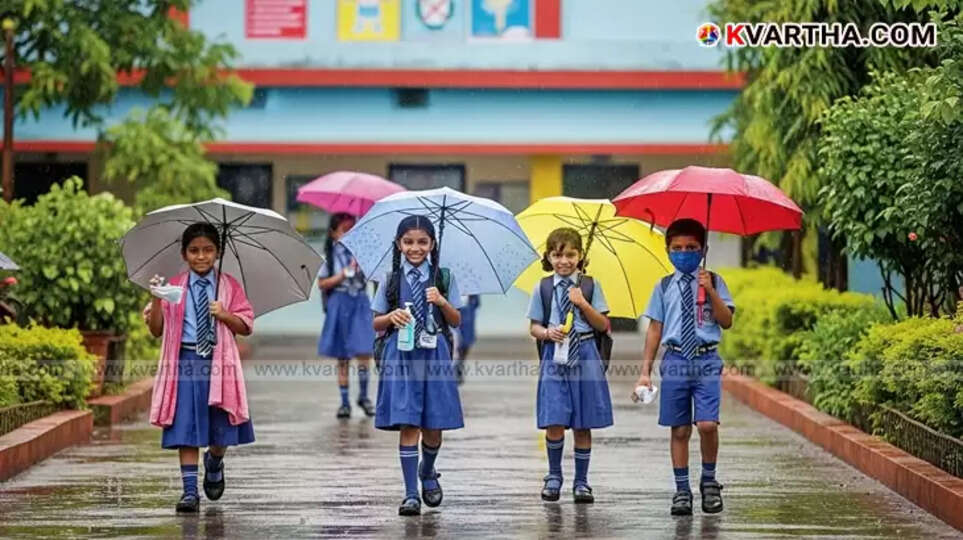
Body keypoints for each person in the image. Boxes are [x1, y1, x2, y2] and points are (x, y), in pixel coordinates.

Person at [146, 222, 255, 513]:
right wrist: (156, 300)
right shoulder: (174, 288)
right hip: (184, 361)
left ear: (218, 252)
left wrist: (225, 313)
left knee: (221, 429)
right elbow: (156, 330)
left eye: (208, 250)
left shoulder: (228, 286)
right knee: (186, 425)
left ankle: (215, 460)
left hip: (220, 363)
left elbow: (245, 326)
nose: (201, 256)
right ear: (184, 254)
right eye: (194, 250)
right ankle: (189, 491)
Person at [632, 218, 735, 516]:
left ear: (703, 249)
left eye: (691, 247)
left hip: (705, 359)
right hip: (675, 359)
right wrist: (644, 371)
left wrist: (710, 291)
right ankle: (681, 490)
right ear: (668, 251)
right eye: (677, 248)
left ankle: (709, 481)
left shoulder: (714, 281)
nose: (684, 252)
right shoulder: (663, 286)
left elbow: (726, 321)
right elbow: (655, 329)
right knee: (679, 429)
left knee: (706, 424)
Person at [371, 215, 465, 516]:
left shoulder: (444, 277)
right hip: (401, 356)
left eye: (422, 241)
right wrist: (391, 317)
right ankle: (411, 493)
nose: (415, 248)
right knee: (409, 421)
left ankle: (428, 471)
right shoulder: (390, 280)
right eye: (408, 242)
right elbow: (375, 322)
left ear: (432, 244)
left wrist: (441, 301)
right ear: (399, 245)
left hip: (434, 355)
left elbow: (456, 320)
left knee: (433, 426)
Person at [528, 227, 612, 504]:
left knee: (582, 422)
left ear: (581, 256)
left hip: (585, 352)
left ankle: (582, 482)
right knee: (554, 418)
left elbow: (603, 324)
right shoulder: (543, 287)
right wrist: (547, 333)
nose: (564, 261)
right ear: (549, 257)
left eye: (570, 255)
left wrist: (583, 304)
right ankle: (553, 476)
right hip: (556, 354)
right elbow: (534, 327)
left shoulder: (590, 285)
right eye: (558, 255)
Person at [317, 213, 376, 418]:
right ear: (334, 233)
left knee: (364, 351)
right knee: (342, 355)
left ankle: (364, 396)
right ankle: (344, 402)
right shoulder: (330, 257)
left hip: (360, 303)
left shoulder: (362, 253)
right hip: (340, 304)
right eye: (344, 230)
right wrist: (342, 274)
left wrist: (364, 267)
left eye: (353, 229)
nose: (349, 234)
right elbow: (322, 284)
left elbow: (375, 278)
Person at [454, 295, 480, 384]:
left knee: (466, 342)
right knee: (456, 341)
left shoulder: (473, 283)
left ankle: (459, 366)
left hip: (467, 311)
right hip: (453, 308)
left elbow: (476, 302)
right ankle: (455, 368)